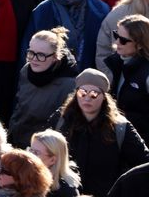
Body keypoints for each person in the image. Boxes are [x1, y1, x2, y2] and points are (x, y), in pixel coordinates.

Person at [49, 68, 149, 197]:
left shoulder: (120, 128)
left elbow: (143, 164)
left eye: (94, 94)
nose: (87, 98)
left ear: (104, 97)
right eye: (82, 93)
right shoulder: (60, 120)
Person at [10, 27, 79, 147]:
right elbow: (20, 106)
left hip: (44, 148)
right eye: (31, 53)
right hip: (18, 139)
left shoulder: (69, 85)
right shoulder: (26, 71)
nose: (34, 59)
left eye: (41, 55)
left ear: (55, 56)